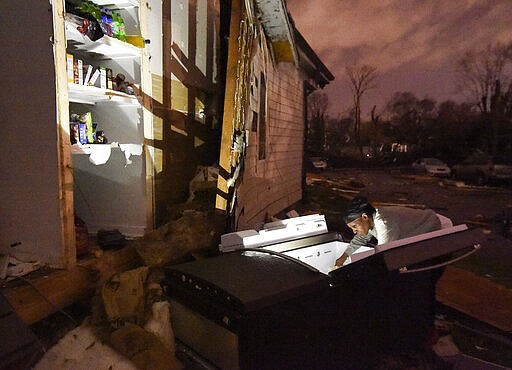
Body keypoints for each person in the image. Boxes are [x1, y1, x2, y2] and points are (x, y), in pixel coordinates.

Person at [335, 195, 450, 266]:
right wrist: (343, 257)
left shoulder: (384, 223)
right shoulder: (370, 220)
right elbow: (360, 238)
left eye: (355, 226)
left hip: (433, 226)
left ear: (365, 217)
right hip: (413, 229)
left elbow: (383, 253)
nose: (354, 231)